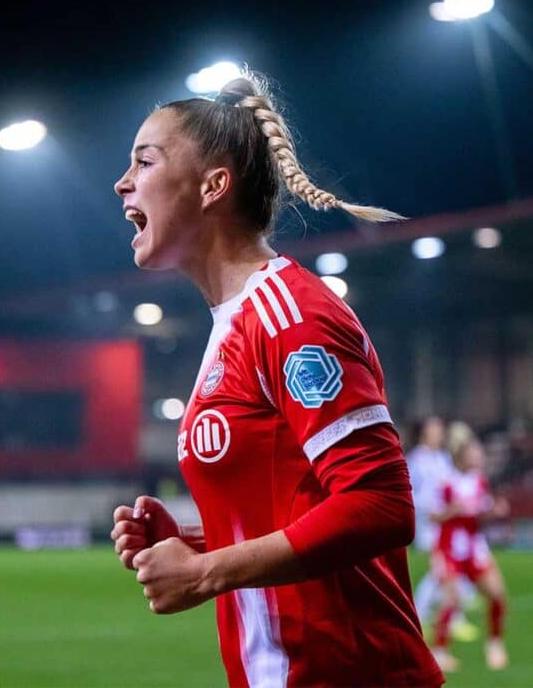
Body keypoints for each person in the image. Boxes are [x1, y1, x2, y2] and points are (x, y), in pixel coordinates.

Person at [110, 72, 443, 687]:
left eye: (144, 161)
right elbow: (296, 504)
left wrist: (207, 574)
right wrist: (197, 542)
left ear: (213, 186)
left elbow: (380, 504)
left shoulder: (291, 317)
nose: (122, 181)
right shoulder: (232, 324)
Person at [429, 439, 509, 672]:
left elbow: (481, 515)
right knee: (451, 599)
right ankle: (439, 652)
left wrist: (494, 512)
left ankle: (495, 643)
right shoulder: (446, 484)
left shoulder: (480, 482)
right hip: (449, 549)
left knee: (497, 594)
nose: (479, 458)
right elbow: (433, 517)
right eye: (475, 454)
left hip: (475, 548)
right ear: (462, 457)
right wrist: (451, 511)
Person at [409, 417, 478, 639]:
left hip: (447, 521)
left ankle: (437, 615)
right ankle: (433, 616)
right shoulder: (416, 460)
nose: (439, 433)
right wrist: (425, 511)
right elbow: (410, 492)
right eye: (435, 430)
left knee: (443, 571)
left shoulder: (444, 459)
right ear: (424, 434)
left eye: (440, 429)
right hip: (428, 522)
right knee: (441, 571)